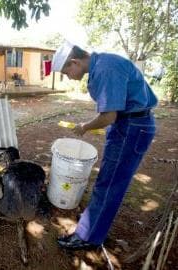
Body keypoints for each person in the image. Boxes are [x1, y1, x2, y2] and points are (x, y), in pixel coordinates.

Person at [51, 42, 157, 250]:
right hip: (128, 123)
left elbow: (109, 116)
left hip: (131, 127)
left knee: (109, 183)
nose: (69, 76)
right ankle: (94, 221)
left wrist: (85, 127)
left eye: (67, 71)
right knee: (108, 179)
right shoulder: (103, 64)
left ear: (75, 62)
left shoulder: (105, 69)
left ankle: (87, 236)